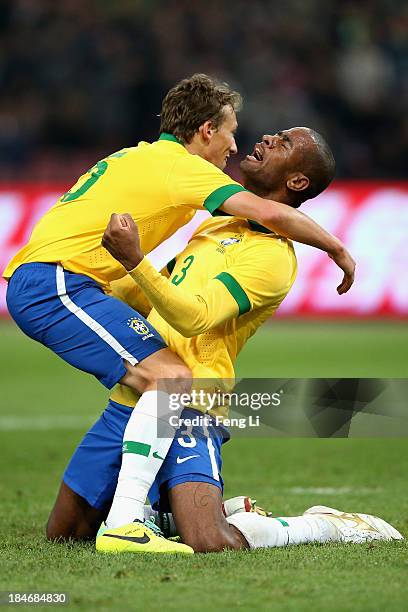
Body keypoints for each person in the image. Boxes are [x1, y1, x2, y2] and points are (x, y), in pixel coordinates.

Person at [3, 75, 355, 553]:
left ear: (297, 180)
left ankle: (321, 526)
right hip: (141, 389)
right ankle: (153, 513)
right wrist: (119, 284)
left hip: (191, 400)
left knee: (203, 538)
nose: (251, 140)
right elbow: (150, 291)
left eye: (284, 141)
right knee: (70, 529)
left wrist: (133, 263)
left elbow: (191, 313)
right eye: (233, 131)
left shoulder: (271, 256)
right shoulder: (210, 210)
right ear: (207, 130)